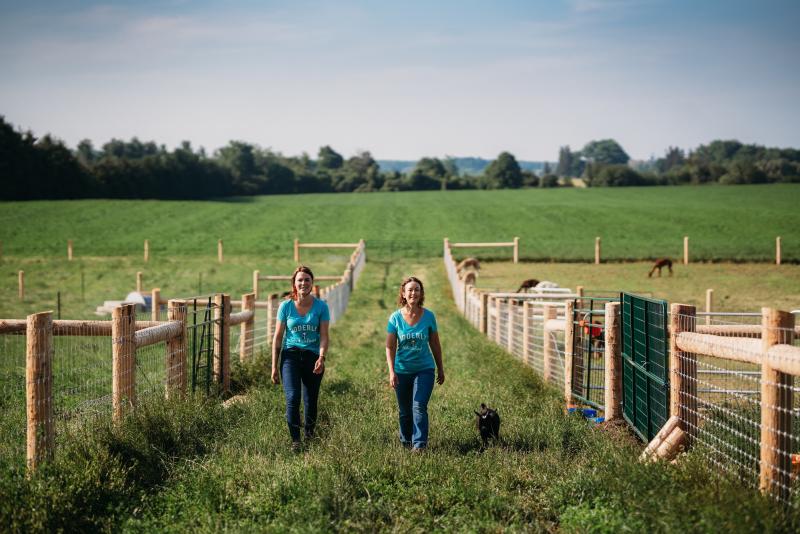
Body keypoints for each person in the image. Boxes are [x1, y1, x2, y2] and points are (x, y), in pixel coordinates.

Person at [271, 266, 330, 451]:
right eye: (300, 280)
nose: (303, 283)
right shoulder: (286, 306)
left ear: (312, 283)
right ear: (294, 284)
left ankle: (309, 436)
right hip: (291, 356)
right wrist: (274, 366)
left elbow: (324, 336)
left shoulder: (321, 306)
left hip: (313, 357)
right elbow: (278, 337)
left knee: (310, 400)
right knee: (293, 397)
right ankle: (296, 440)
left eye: (307, 280)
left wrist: (321, 357)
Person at [385, 276, 445, 451]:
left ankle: (419, 446)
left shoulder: (429, 317)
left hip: (424, 369)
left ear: (421, 293)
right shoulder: (395, 318)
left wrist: (440, 368)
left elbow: (435, 343)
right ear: (403, 294)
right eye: (410, 290)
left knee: (418, 406)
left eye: (417, 289)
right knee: (405, 411)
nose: (413, 293)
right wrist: (391, 371)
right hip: (402, 370)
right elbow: (390, 346)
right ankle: (406, 443)